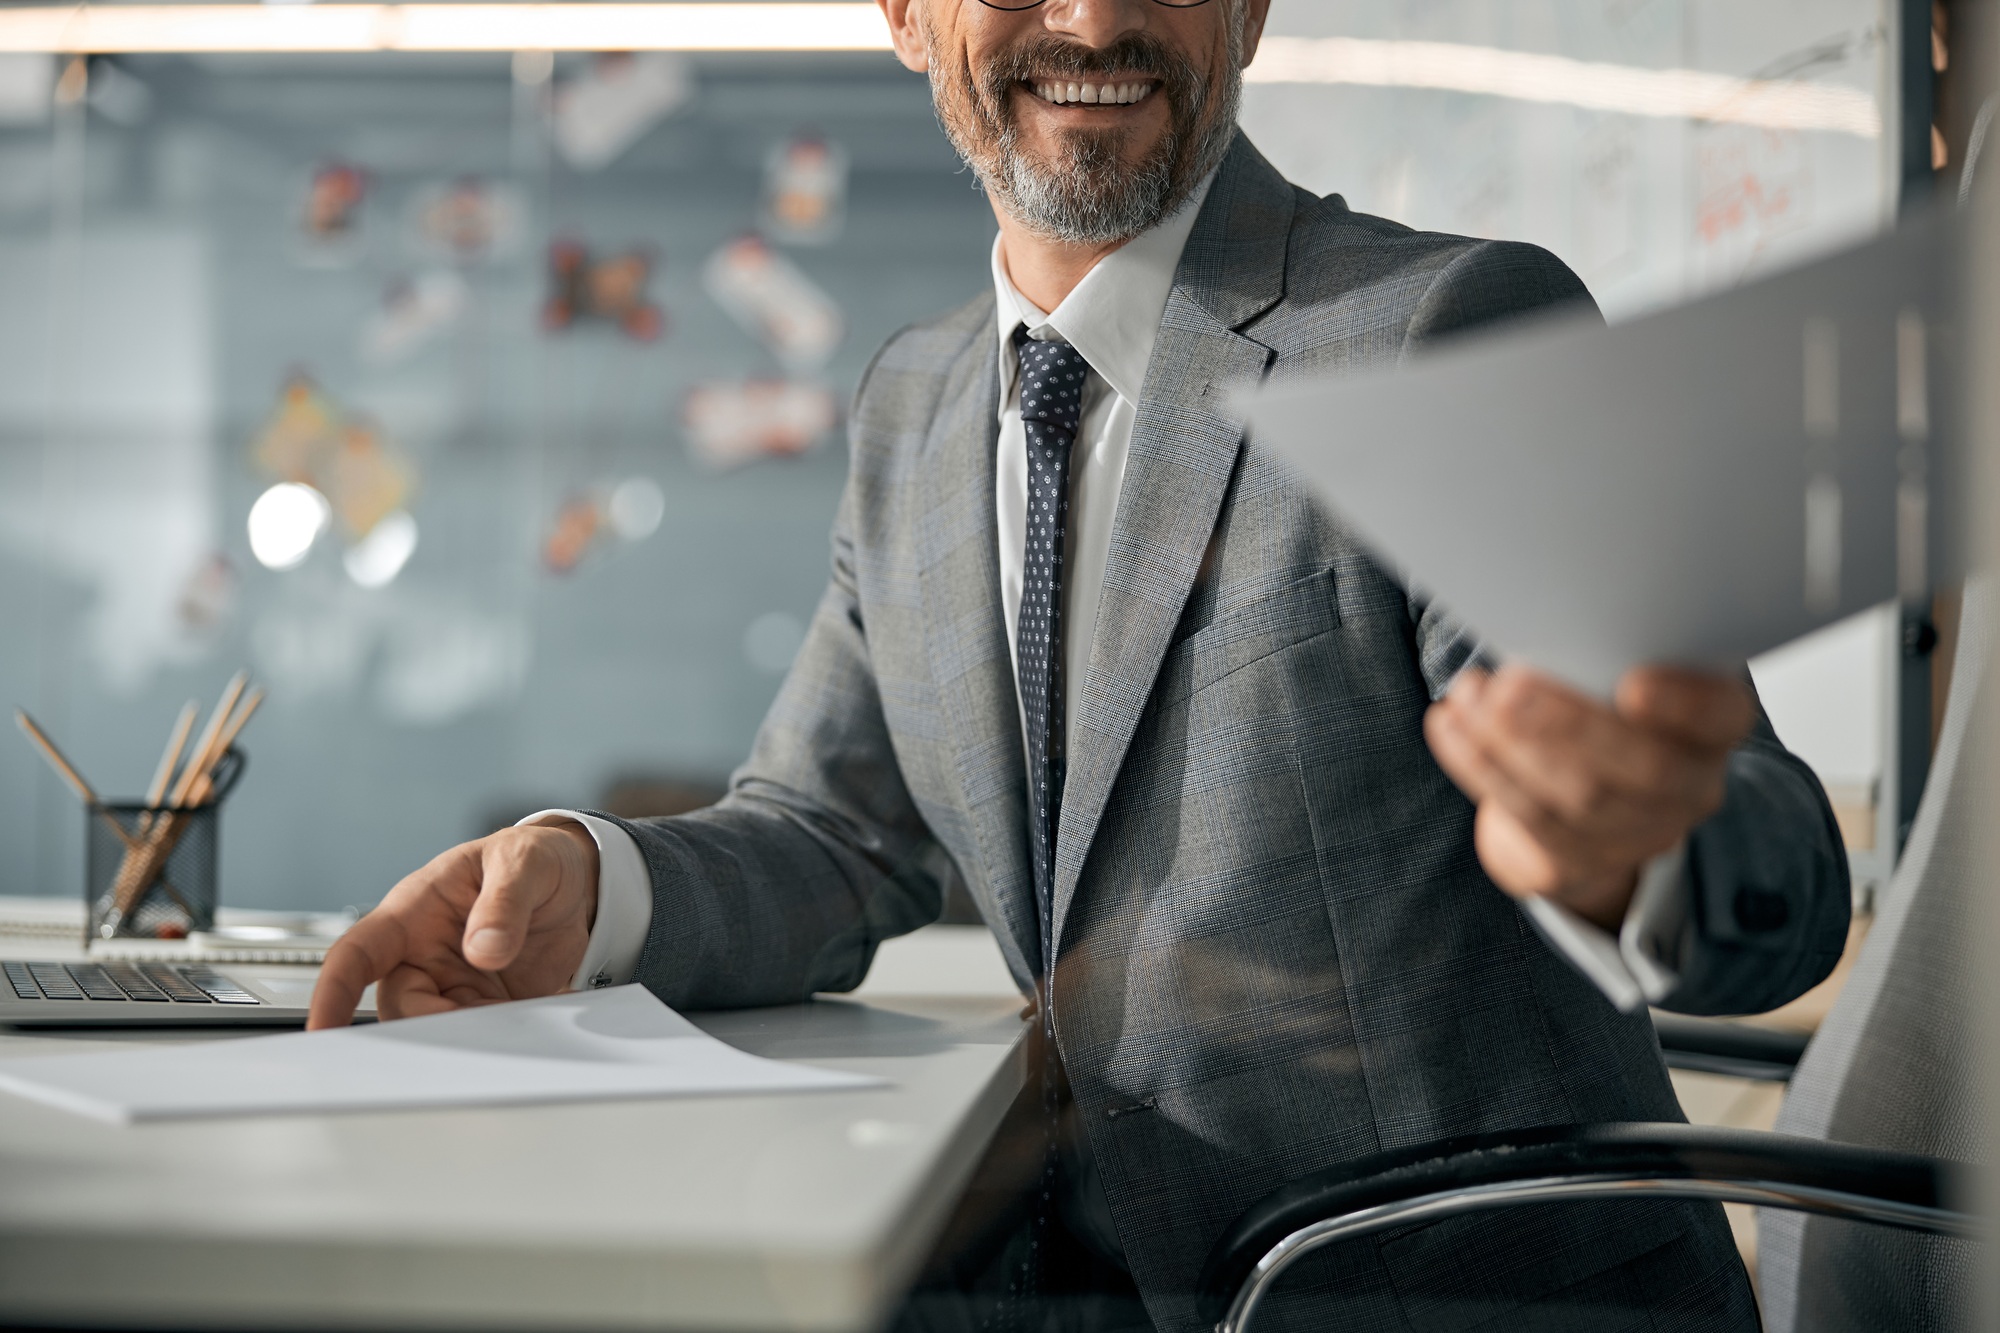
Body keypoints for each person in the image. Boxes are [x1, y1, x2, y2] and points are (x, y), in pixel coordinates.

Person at [310, 1, 1851, 1327]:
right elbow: (832, 828)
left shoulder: (1444, 333)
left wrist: (1654, 848)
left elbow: (1763, 862)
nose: (1097, 18)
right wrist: (591, 887)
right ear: (903, 14)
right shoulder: (913, 404)